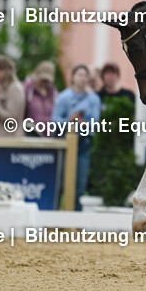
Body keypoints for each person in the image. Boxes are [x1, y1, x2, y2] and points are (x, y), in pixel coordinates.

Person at [53, 65, 102, 210]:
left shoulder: (94, 99)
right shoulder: (63, 97)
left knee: (80, 185)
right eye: (79, 75)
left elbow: (96, 124)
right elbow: (55, 120)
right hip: (64, 142)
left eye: (85, 75)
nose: (82, 78)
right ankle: (54, 218)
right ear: (73, 77)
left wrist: (83, 123)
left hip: (84, 144)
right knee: (60, 183)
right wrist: (70, 121)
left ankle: (75, 222)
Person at [0, 55, 25, 137]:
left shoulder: (15, 89)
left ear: (3, 71)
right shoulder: (3, 87)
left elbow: (11, 119)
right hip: (1, 137)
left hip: (10, 138)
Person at [24, 60, 57, 136]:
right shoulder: (27, 90)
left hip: (50, 137)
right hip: (31, 135)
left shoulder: (54, 93)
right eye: (43, 79)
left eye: (47, 81)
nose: (45, 83)